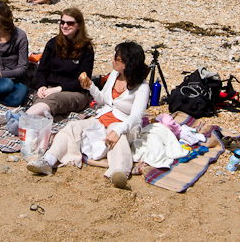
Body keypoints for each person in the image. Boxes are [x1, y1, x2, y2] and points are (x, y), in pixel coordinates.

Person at [26, 42, 150, 189]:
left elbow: (136, 116)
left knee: (117, 135)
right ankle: (49, 160)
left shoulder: (142, 87)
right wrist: (90, 87)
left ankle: (119, 172)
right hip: (103, 118)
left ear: (128, 63)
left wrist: (118, 130)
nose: (112, 59)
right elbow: (103, 100)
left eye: (117, 57)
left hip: (124, 124)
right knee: (73, 126)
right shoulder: (114, 75)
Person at [25, 8, 94, 118]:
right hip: (50, 88)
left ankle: (23, 119)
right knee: (40, 98)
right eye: (62, 22)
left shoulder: (86, 49)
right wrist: (42, 86)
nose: (65, 26)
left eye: (70, 23)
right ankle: (26, 120)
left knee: (55, 99)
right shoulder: (53, 44)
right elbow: (42, 71)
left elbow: (82, 81)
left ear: (79, 26)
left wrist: (58, 89)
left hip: (74, 92)